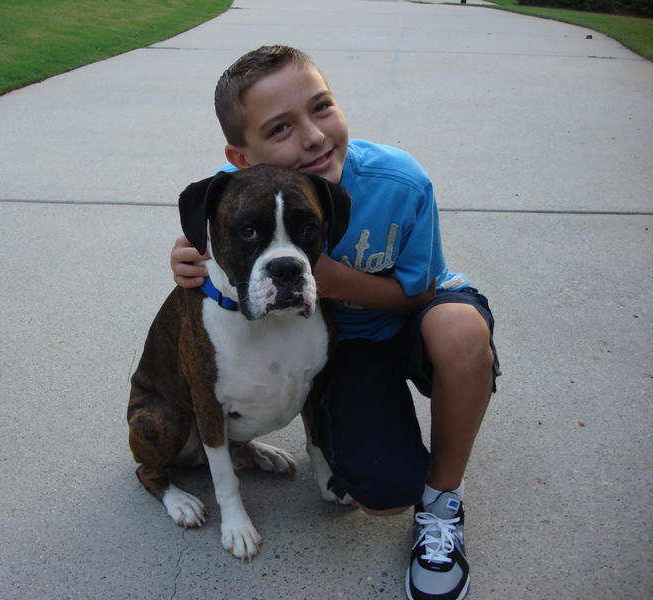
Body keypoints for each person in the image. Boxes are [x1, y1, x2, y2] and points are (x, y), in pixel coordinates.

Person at [170, 45, 500, 600]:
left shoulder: (400, 180)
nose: (313, 136)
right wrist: (186, 252)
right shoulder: (237, 191)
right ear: (242, 158)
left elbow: (418, 291)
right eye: (280, 128)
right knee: (383, 495)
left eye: (321, 107)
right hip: (347, 347)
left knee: (460, 332)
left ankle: (443, 502)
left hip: (417, 314)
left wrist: (329, 277)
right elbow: (209, 224)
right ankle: (366, 437)